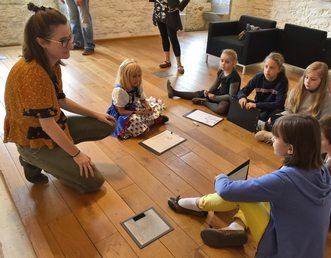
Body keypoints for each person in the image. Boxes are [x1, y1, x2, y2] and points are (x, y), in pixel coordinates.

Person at [168, 114, 331, 257]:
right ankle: (236, 226)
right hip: (307, 249)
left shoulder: (285, 180)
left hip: (282, 251)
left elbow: (227, 190)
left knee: (242, 195)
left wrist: (221, 178)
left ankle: (193, 205)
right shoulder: (321, 168)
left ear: (290, 149)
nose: (272, 138)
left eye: (276, 136)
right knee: (257, 194)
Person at [3, 3, 116, 193]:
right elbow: (46, 125)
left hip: (52, 126)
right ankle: (30, 158)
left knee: (108, 123)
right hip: (33, 139)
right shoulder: (32, 73)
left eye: (70, 37)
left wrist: (96, 114)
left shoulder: (52, 61)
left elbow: (61, 100)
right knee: (93, 182)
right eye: (64, 41)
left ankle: (55, 157)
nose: (71, 44)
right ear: (42, 42)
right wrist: (77, 154)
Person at [256, 61, 331, 143]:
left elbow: (323, 125)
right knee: (276, 118)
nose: (308, 81)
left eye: (313, 79)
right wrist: (281, 118)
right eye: (306, 77)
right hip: (293, 122)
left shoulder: (327, 99)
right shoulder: (296, 91)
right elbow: (289, 111)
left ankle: (274, 137)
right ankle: (282, 139)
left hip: (308, 128)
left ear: (322, 81)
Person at [106, 59, 168, 139]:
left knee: (155, 105)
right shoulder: (119, 91)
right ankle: (149, 122)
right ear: (126, 77)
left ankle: (150, 122)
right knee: (134, 119)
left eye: (139, 75)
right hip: (123, 114)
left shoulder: (137, 86)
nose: (138, 79)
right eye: (134, 76)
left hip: (134, 107)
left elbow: (143, 100)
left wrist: (147, 106)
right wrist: (137, 112)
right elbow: (121, 111)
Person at [167, 49, 241, 115]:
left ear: (234, 63)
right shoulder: (221, 71)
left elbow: (231, 96)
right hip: (218, 93)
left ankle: (204, 102)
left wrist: (216, 98)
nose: (223, 64)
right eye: (222, 60)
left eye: (227, 62)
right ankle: (174, 92)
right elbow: (215, 85)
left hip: (226, 99)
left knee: (221, 108)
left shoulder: (234, 77)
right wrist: (208, 91)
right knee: (198, 93)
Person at [237, 52, 288, 127]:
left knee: (277, 119)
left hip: (272, 109)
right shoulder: (258, 77)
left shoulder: (283, 81)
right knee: (238, 104)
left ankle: (264, 125)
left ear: (279, 69)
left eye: (272, 68)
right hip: (259, 107)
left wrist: (256, 105)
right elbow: (243, 91)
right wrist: (242, 97)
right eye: (266, 66)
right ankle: (262, 124)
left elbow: (278, 104)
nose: (267, 70)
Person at [151, 0, 190, 74]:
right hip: (159, 10)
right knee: (164, 37)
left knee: (173, 38)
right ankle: (167, 60)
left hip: (170, 12)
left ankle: (179, 64)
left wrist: (179, 6)